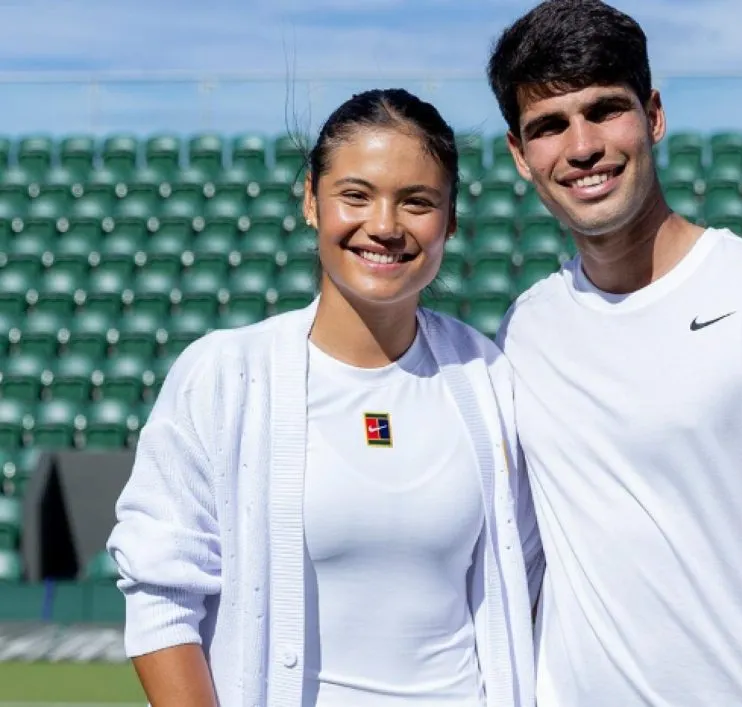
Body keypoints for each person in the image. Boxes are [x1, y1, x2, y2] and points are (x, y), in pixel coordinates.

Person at [486, 1, 742, 705]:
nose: (581, 146)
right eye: (549, 125)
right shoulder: (524, 328)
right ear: (522, 157)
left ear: (655, 115)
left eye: (604, 110)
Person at [106, 88, 542, 707]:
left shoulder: (488, 376)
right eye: (355, 195)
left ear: (451, 219)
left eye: (417, 202)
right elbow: (161, 595)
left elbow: (524, 578)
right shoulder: (225, 375)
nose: (385, 226)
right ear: (311, 200)